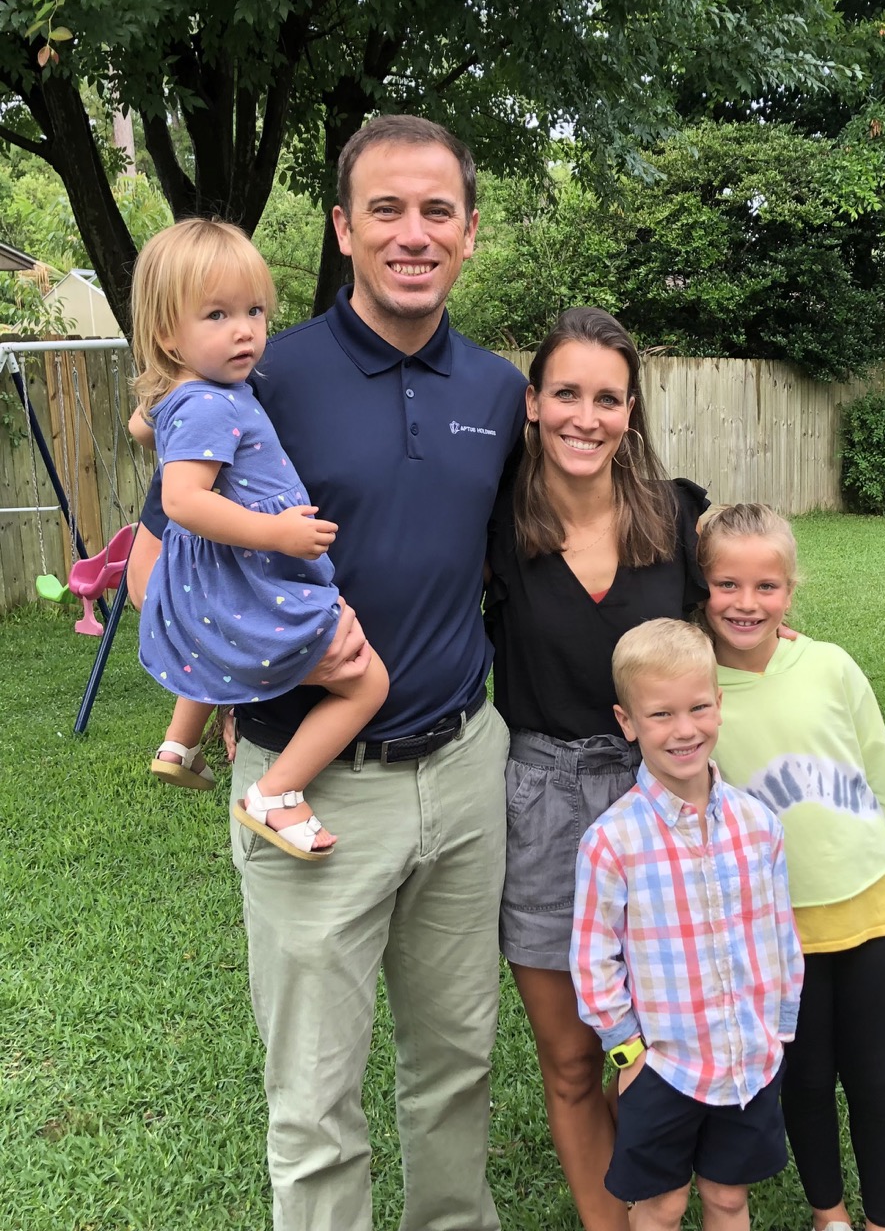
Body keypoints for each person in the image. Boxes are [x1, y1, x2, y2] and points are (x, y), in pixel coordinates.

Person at [128, 116, 528, 1231]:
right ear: (344, 228)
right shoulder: (262, 373)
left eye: (437, 211)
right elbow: (155, 568)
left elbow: (514, 558)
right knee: (313, 1100)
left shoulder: (498, 391)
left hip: (463, 769)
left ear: (469, 231)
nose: (413, 233)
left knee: (456, 1063)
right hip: (310, 785)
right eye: (385, 209)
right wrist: (240, 667)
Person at [482, 307, 711, 1229]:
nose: (587, 417)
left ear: (631, 411)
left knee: (652, 1050)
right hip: (542, 805)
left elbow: (733, 627)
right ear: (533, 404)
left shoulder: (676, 516)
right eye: (566, 393)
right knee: (576, 1060)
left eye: (608, 398)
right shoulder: (494, 519)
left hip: (663, 805)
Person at [698, 503, 885, 1231]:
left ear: (791, 590)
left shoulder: (832, 666)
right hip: (776, 932)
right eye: (726, 584)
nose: (746, 603)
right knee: (803, 1081)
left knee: (874, 1080)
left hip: (872, 908)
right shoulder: (696, 696)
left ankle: (884, 1221)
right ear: (701, 586)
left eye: (766, 586)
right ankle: (829, 1215)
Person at [130, 218, 389, 858]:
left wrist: (157, 413)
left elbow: (142, 427)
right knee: (368, 682)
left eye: (253, 311)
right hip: (247, 568)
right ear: (166, 334)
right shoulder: (210, 404)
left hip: (209, 574)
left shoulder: (188, 392)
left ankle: (178, 744)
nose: (245, 330)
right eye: (216, 315)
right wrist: (276, 532)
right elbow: (182, 500)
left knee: (205, 645)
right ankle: (276, 793)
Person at [570, 618, 804, 1231]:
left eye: (699, 707)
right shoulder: (612, 841)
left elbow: (782, 936)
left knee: (728, 1198)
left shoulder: (759, 826)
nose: (684, 729)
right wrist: (627, 1051)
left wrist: (780, 1029)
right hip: (664, 1067)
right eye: (661, 715)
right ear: (627, 722)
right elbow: (593, 959)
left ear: (719, 704)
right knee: (663, 1205)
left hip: (750, 1059)